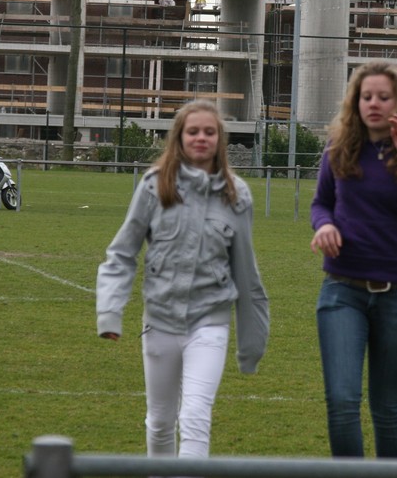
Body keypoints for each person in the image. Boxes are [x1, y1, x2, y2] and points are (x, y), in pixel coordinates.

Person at [96, 100, 270, 457]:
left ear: (219, 140)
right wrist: (110, 312)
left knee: (194, 417)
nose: (201, 138)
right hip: (159, 322)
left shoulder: (237, 195)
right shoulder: (154, 186)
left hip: (209, 323)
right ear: (179, 137)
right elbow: (122, 253)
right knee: (160, 422)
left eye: (209, 132)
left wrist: (252, 343)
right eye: (193, 131)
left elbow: (246, 274)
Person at [309, 60, 397, 457]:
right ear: (355, 102)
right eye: (366, 96)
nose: (373, 104)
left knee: (388, 409)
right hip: (343, 292)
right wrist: (324, 225)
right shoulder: (339, 148)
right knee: (341, 402)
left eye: (383, 97)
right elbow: (321, 203)